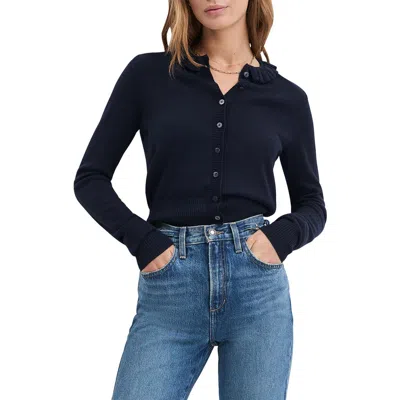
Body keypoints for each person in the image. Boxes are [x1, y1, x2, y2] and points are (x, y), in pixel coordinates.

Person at [73, 0, 327, 398]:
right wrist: (144, 242)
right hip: (171, 285)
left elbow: (312, 203)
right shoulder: (148, 76)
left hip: (257, 292)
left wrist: (278, 240)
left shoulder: (288, 99)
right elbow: (90, 178)